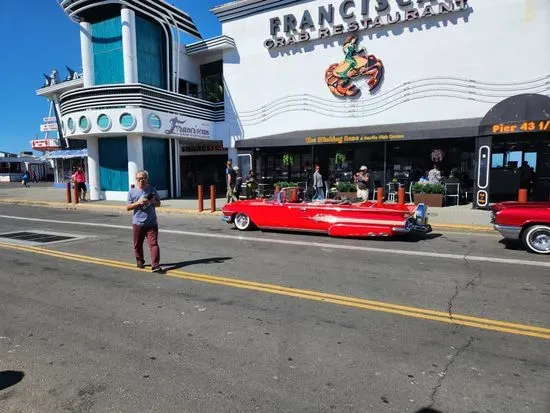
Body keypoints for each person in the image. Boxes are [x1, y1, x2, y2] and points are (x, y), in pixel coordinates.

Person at [126, 170, 163, 273]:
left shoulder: (152, 190)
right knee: (137, 245)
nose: (141, 180)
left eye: (143, 178)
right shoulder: (132, 192)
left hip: (151, 223)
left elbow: (159, 204)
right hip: (138, 223)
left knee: (153, 244)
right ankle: (140, 261)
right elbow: (128, 207)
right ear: (136, 179)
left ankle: (155, 265)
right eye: (139, 178)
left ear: (147, 179)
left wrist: (152, 201)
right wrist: (138, 202)